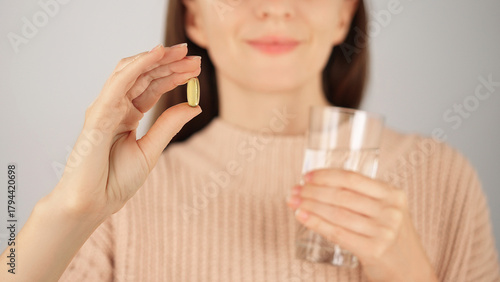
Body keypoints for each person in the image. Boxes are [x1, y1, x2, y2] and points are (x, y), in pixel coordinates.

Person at [1, 0, 499, 281]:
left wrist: (407, 272)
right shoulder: (129, 193)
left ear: (344, 15)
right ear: (194, 17)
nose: (276, 8)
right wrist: (71, 208)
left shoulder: (442, 175)